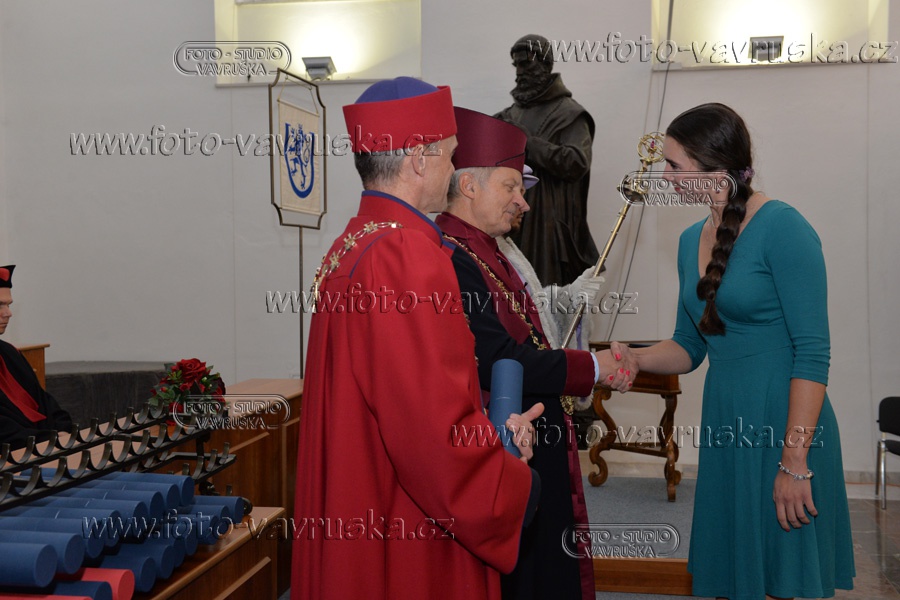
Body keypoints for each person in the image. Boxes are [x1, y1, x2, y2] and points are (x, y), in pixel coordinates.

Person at [291, 78, 545, 600]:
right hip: (407, 519)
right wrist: (507, 481)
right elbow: (432, 434)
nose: (453, 171)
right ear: (419, 159)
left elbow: (399, 395)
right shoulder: (405, 256)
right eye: (450, 156)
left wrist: (487, 427)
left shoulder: (352, 245)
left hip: (361, 492)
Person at [615, 103, 855, 599]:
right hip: (727, 422)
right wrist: (636, 359)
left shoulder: (784, 228)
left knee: (785, 580)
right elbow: (688, 346)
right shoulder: (690, 240)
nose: (665, 177)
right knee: (736, 579)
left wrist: (794, 460)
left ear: (715, 168)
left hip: (785, 425)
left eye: (674, 165)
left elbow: (813, 353)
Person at [435, 107, 634, 600]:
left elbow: (530, 331)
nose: (523, 201)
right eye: (511, 186)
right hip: (501, 439)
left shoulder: (491, 249)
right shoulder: (452, 257)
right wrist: (593, 367)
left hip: (531, 429)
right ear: (469, 186)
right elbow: (496, 356)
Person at [495, 33, 598, 286]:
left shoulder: (569, 113)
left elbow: (576, 162)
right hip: (508, 222)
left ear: (545, 64)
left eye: (526, 63)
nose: (519, 71)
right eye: (516, 65)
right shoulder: (508, 115)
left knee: (548, 298)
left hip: (547, 227)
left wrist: (527, 142)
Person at [0, 265, 73, 449]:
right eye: (0, 305)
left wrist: (62, 429)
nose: (8, 313)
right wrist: (47, 439)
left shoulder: (9, 352)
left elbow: (44, 402)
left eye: (8, 305)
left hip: (41, 447)